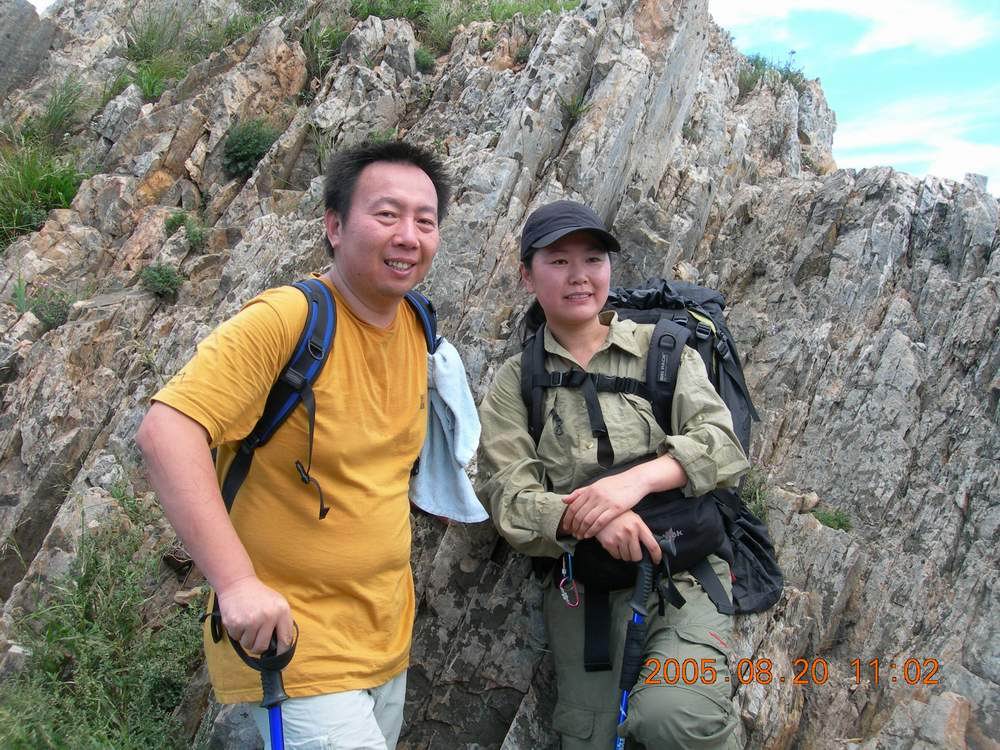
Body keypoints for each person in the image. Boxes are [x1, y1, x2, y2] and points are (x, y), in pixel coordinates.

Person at [136, 140, 451, 749]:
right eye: (387, 215)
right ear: (334, 226)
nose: (408, 236)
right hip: (291, 650)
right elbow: (166, 431)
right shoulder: (287, 319)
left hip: (385, 638)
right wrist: (235, 585)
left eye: (425, 220)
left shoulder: (416, 323)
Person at [477, 200, 751, 749]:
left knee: (674, 716)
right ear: (527, 275)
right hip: (584, 589)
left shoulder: (664, 351)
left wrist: (634, 482)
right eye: (558, 261)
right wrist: (592, 518)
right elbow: (507, 494)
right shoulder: (517, 381)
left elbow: (723, 444)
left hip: (683, 575)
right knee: (592, 738)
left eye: (593, 259)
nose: (579, 276)